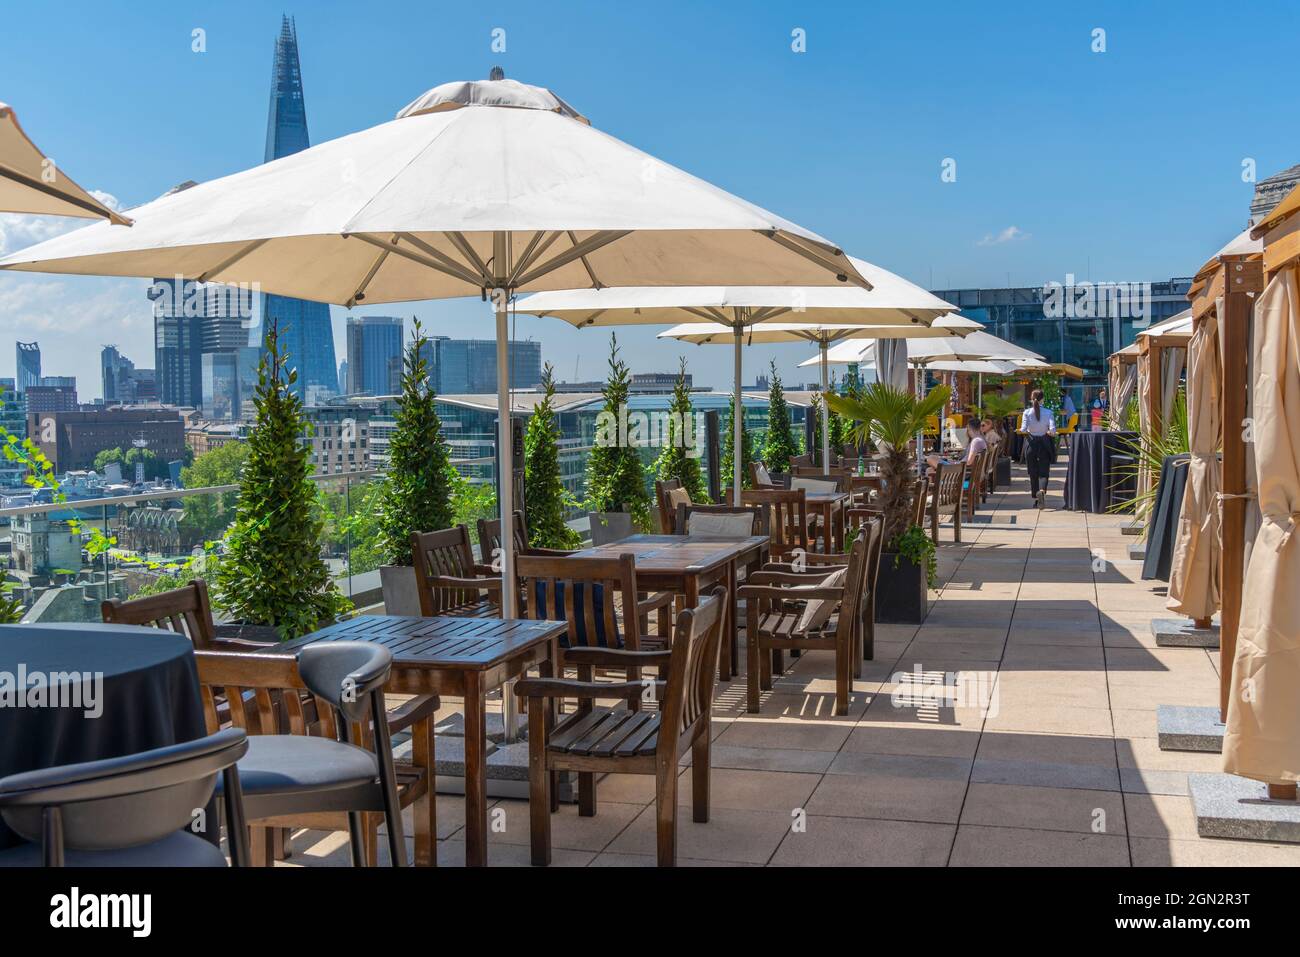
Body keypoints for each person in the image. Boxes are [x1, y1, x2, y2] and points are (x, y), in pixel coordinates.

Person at [1020, 388, 1056, 508]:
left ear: (1031, 399)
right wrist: (1049, 432)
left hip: (1031, 443)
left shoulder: (1027, 412)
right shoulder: (1049, 412)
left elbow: (1023, 429)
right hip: (1044, 443)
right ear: (1043, 399)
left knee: (1033, 472)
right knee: (1044, 472)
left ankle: (1036, 498)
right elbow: (1053, 430)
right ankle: (1042, 490)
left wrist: (1021, 430)